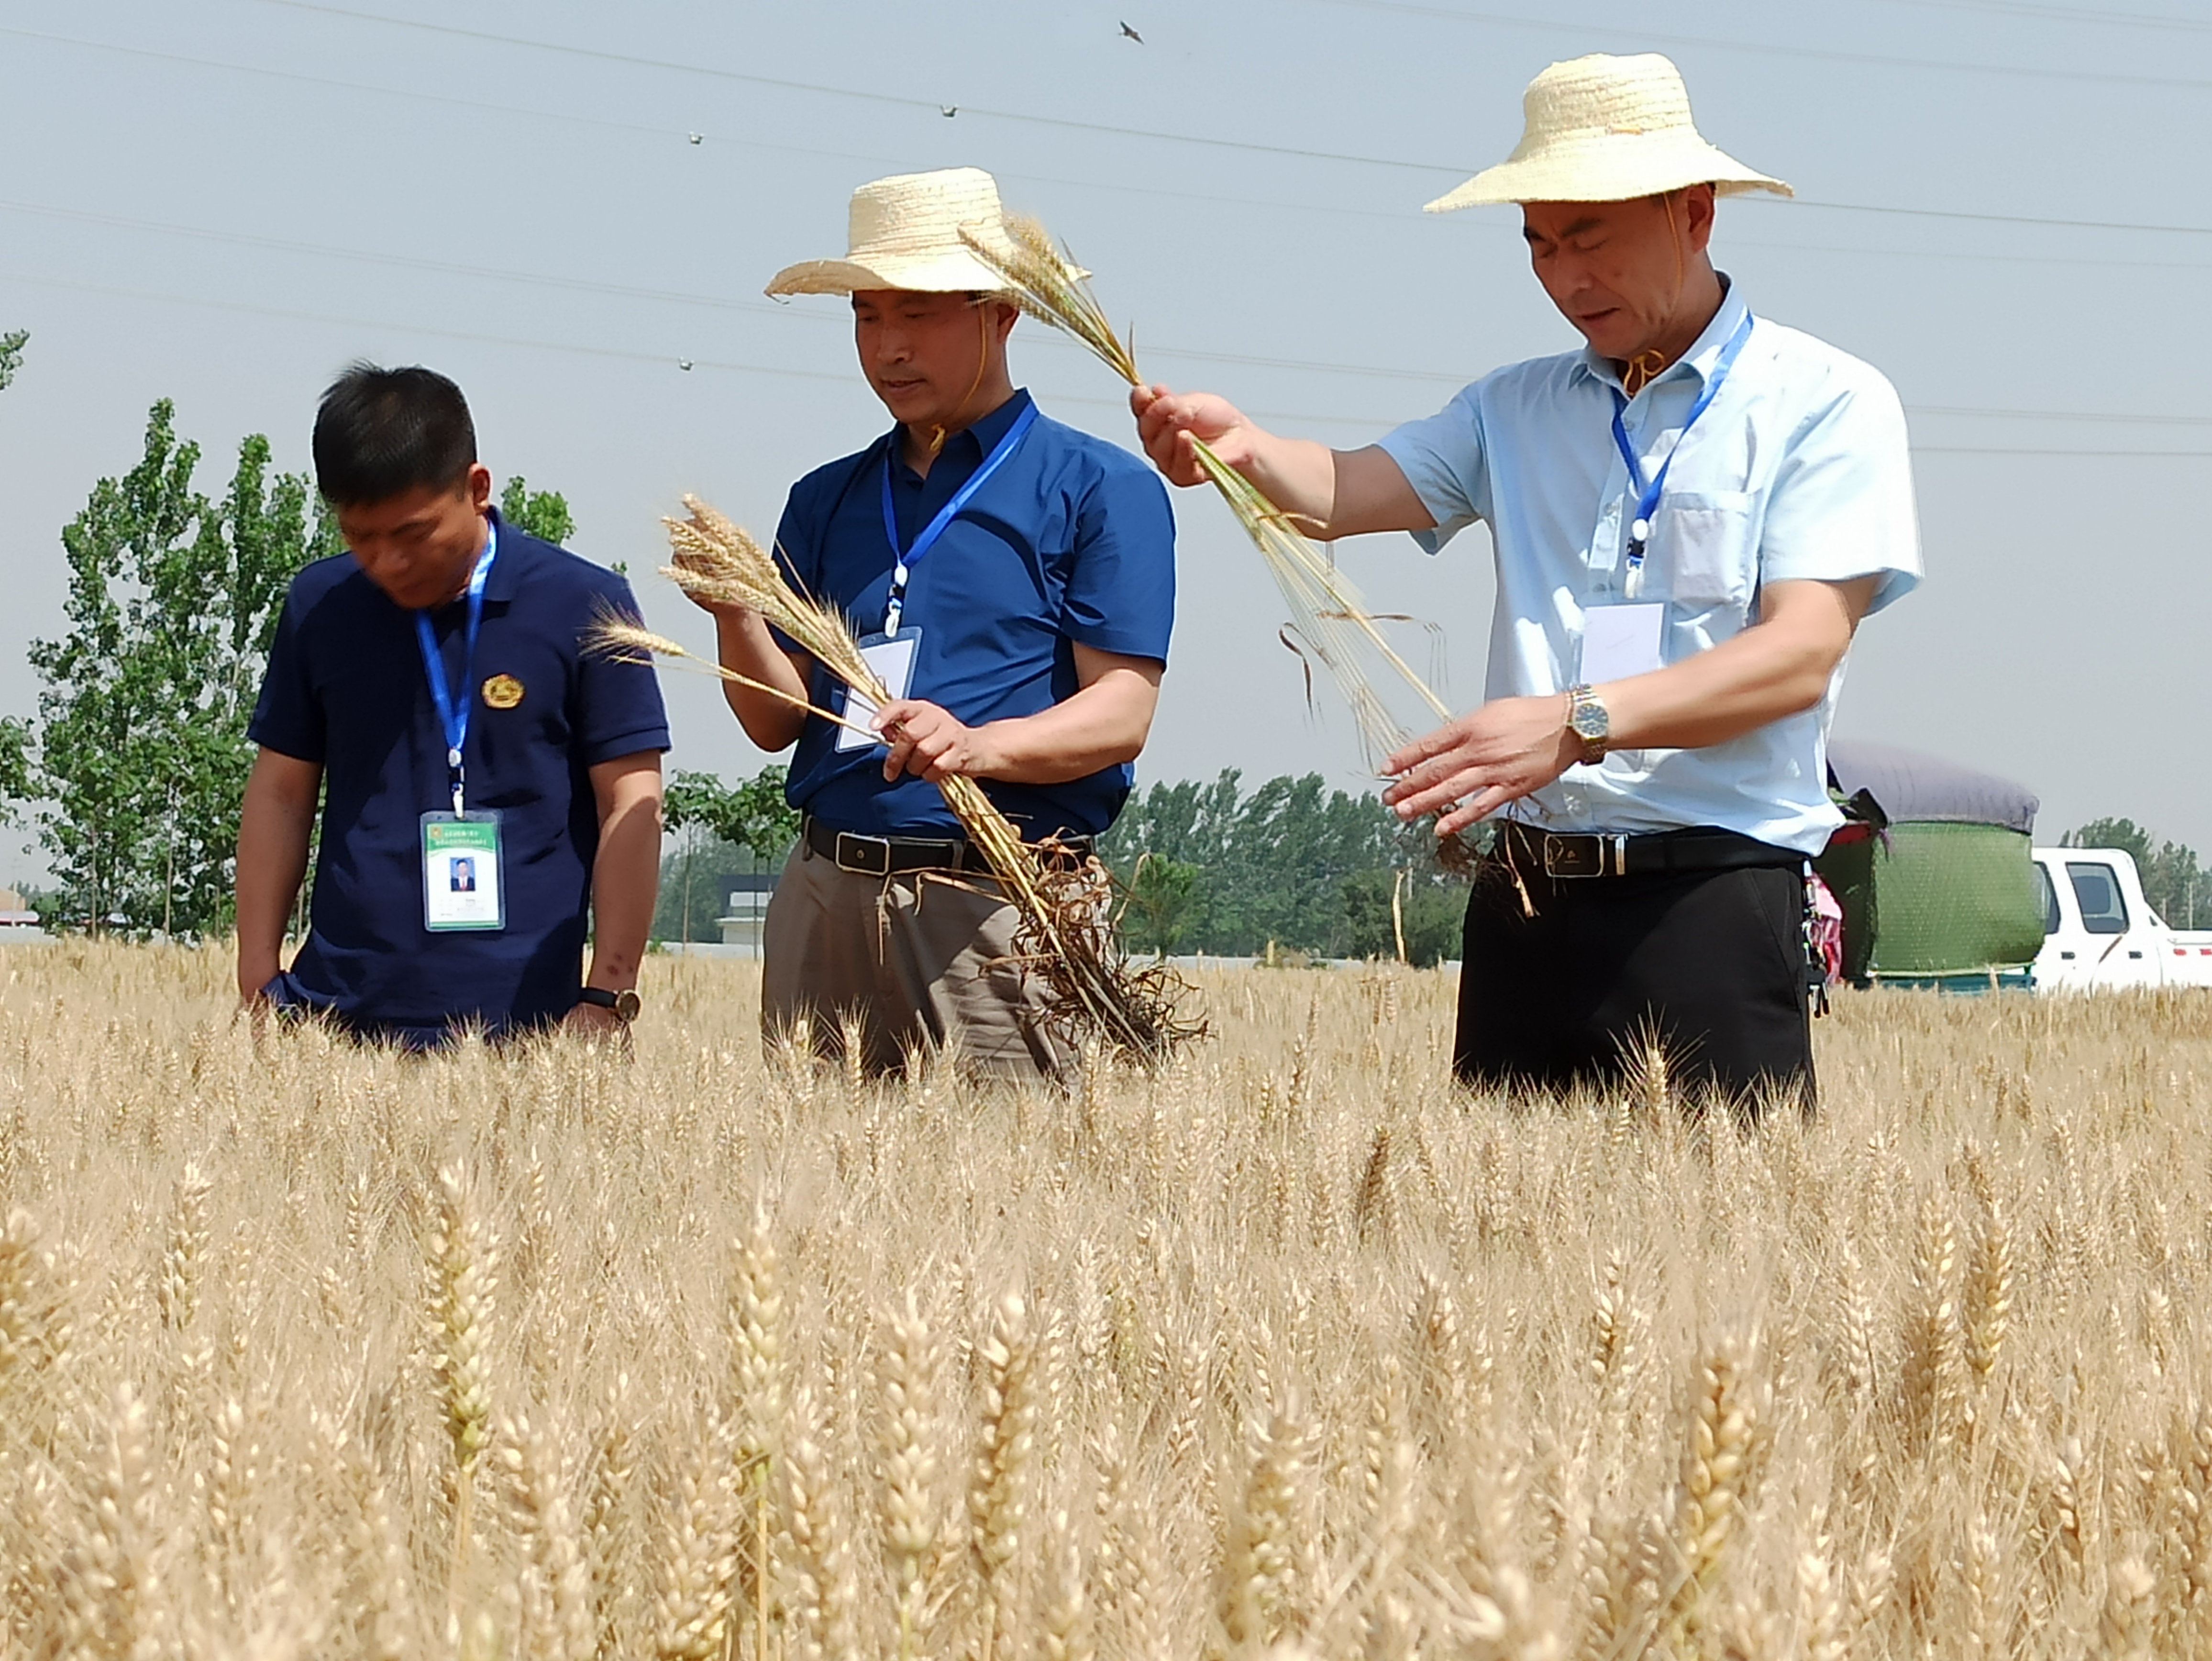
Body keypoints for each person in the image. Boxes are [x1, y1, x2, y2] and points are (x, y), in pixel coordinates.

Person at [1134, 54, 1921, 1115]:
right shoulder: (1511, 407)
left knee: (1720, 1252)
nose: (1564, 276)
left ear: (1694, 214)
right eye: (1540, 245)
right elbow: (1344, 491)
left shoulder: (1823, 402)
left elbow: (1798, 653)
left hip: (1709, 901)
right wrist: (1241, 451)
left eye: (1588, 238)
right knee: (1498, 1257)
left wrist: (1575, 720)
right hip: (1525, 904)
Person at [687, 167, 1175, 1081]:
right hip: (827, 892)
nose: (889, 348)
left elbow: (1122, 713)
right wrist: (734, 613)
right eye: (868, 318)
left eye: (918, 315)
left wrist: (975, 748)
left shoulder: (1098, 487)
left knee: (1011, 1187)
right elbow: (775, 722)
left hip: (998, 900)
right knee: (805, 1196)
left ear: (1001, 315)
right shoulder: (827, 498)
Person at [236, 363, 668, 1046]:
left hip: (534, 1026)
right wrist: (258, 975)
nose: (386, 563)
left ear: (476, 488)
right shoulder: (320, 606)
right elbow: (281, 795)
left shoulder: (585, 605)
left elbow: (632, 800)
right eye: (359, 537)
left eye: (411, 534)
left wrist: (608, 991)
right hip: (334, 1019)